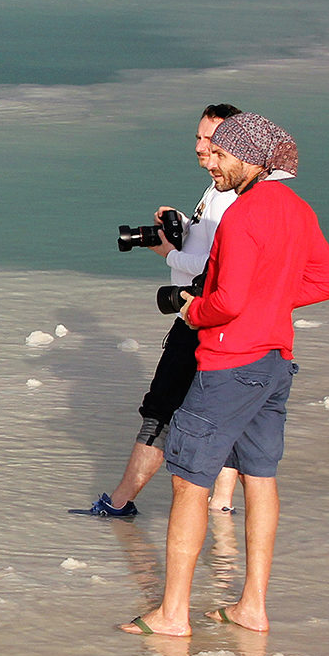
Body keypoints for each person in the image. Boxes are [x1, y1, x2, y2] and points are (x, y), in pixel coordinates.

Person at [121, 113, 329, 638]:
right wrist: (270, 300)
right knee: (260, 478)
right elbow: (326, 281)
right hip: (275, 361)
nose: (211, 163)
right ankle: (251, 608)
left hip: (229, 362)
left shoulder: (242, 216)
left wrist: (194, 311)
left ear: (249, 157)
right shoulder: (298, 208)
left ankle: (173, 615)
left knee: (190, 481)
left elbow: (226, 303)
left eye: (220, 154)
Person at [73, 104, 244, 519]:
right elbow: (209, 245)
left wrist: (168, 254)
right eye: (198, 138)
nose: (200, 148)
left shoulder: (230, 200)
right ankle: (221, 506)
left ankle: (118, 502)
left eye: (210, 140)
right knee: (231, 411)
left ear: (234, 144)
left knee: (160, 410)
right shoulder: (222, 190)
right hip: (229, 321)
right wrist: (182, 223)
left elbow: (213, 268)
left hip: (203, 314)